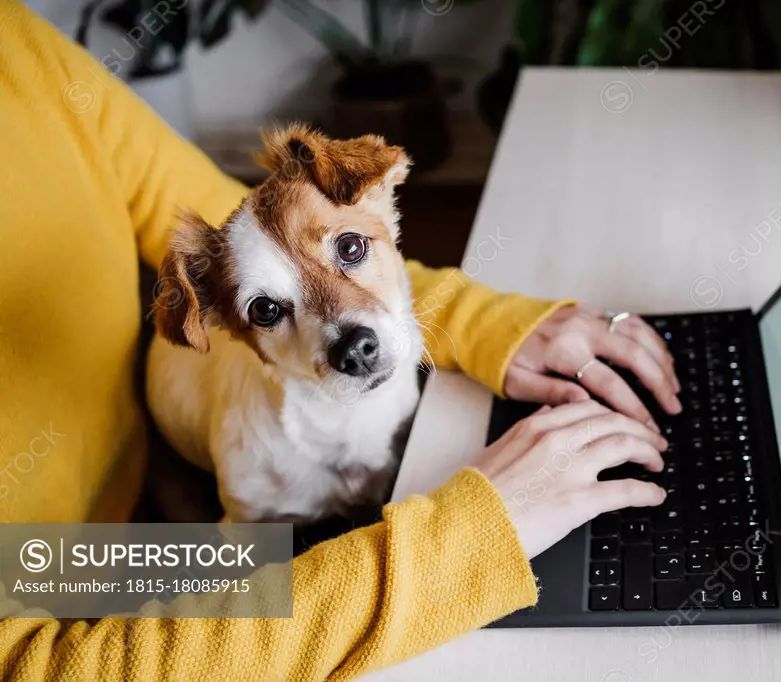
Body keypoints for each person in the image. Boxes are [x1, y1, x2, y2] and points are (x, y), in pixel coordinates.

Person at [0, 2, 679, 678]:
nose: (345, 334)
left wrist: (494, 324)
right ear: (219, 324)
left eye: (348, 250)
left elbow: (247, 215)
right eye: (268, 309)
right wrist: (463, 545)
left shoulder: (16, 42)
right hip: (68, 576)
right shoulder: (249, 464)